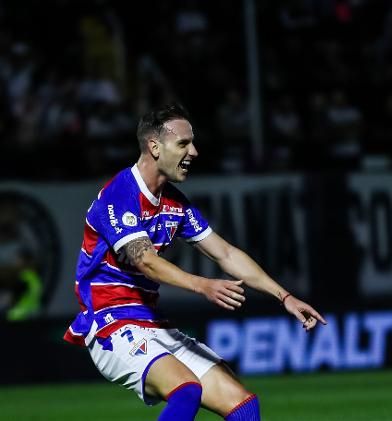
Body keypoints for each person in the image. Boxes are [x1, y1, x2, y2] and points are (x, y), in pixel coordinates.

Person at [63, 103, 327, 421]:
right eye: (183, 143)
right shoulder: (119, 196)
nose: (195, 152)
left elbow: (225, 254)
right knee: (186, 389)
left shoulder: (175, 203)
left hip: (152, 322)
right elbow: (145, 261)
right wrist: (203, 285)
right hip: (110, 323)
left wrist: (284, 296)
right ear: (154, 147)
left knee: (244, 405)